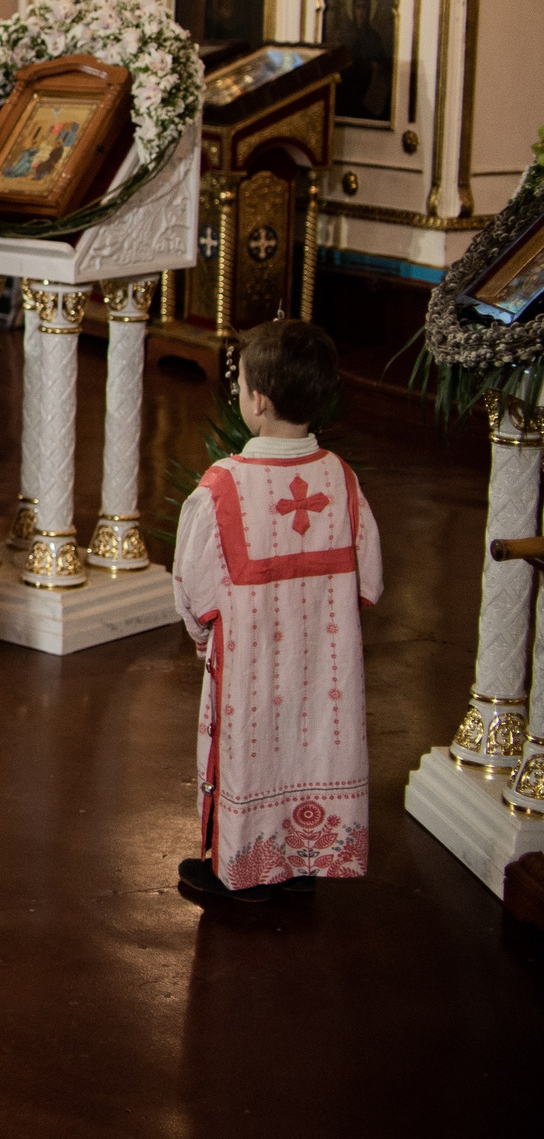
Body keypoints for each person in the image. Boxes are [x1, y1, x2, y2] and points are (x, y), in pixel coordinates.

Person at [173, 319, 381, 906]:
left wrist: (200, 639)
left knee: (248, 751)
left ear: (257, 401)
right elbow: (373, 581)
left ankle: (239, 870)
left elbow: (193, 587)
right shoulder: (340, 479)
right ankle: (305, 856)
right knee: (313, 745)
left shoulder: (223, 488)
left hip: (251, 670)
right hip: (325, 671)